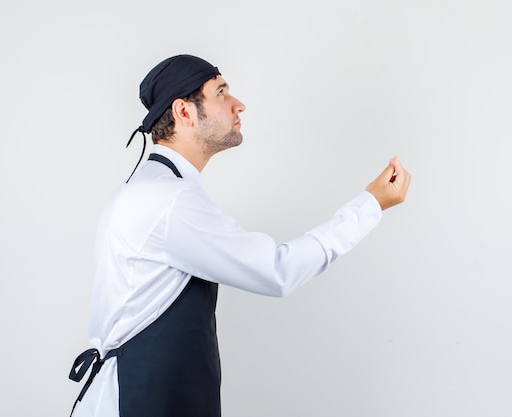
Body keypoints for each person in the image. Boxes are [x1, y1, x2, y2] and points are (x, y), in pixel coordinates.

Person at [68, 54, 411, 417]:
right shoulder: (168, 199)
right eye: (221, 92)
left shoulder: (150, 189)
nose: (238, 104)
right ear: (184, 112)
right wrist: (371, 204)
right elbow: (276, 271)